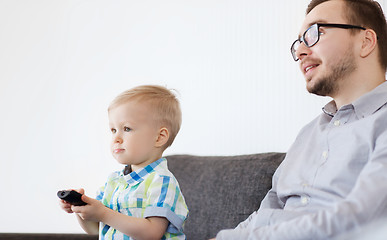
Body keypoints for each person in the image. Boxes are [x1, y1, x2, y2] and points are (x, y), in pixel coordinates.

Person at [212, 0, 387, 239]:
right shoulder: (307, 135)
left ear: (365, 42)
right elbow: (266, 212)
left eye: (316, 32)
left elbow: (362, 219)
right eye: (299, 41)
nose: (300, 51)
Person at [59, 85, 189, 240]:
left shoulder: (162, 181)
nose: (116, 138)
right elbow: (95, 229)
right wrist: (80, 209)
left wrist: (103, 213)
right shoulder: (114, 182)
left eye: (126, 129)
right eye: (113, 130)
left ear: (159, 137)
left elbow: (152, 233)